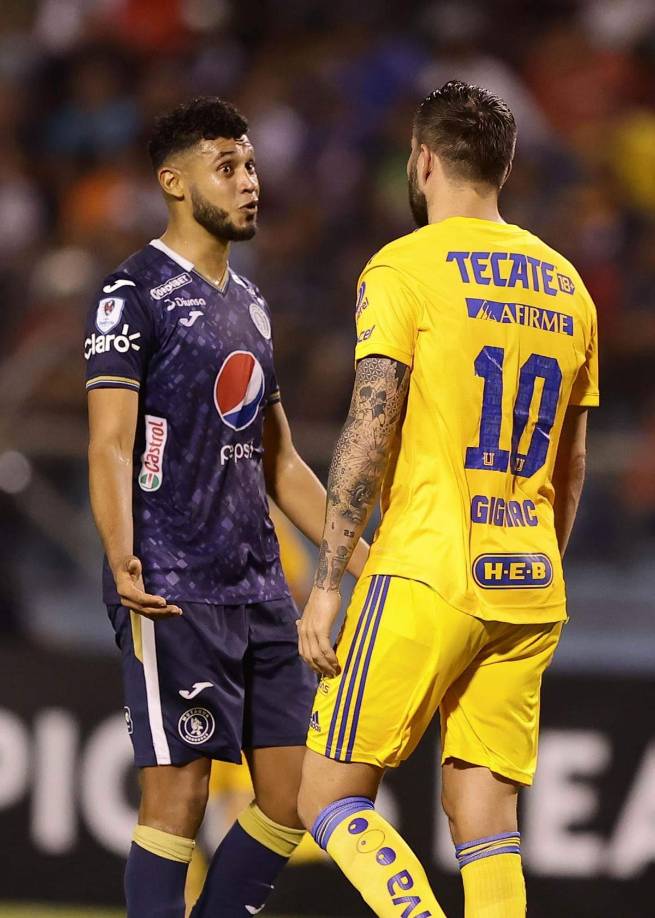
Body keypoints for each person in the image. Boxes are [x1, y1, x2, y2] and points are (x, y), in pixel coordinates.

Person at [297, 80, 598, 918]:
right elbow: (569, 467)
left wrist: (328, 583)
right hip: (529, 574)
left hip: (427, 564)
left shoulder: (404, 266)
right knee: (485, 818)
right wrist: (538, 565)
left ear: (421, 160)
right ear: (503, 166)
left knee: (325, 795)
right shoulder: (567, 285)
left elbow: (369, 422)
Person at [85, 96, 368, 918]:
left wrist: (364, 555)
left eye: (249, 165)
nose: (250, 182)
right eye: (228, 167)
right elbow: (109, 441)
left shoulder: (250, 301)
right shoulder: (129, 293)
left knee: (291, 797)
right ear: (174, 182)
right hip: (171, 581)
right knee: (177, 795)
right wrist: (118, 551)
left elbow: (280, 463)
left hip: (259, 588)